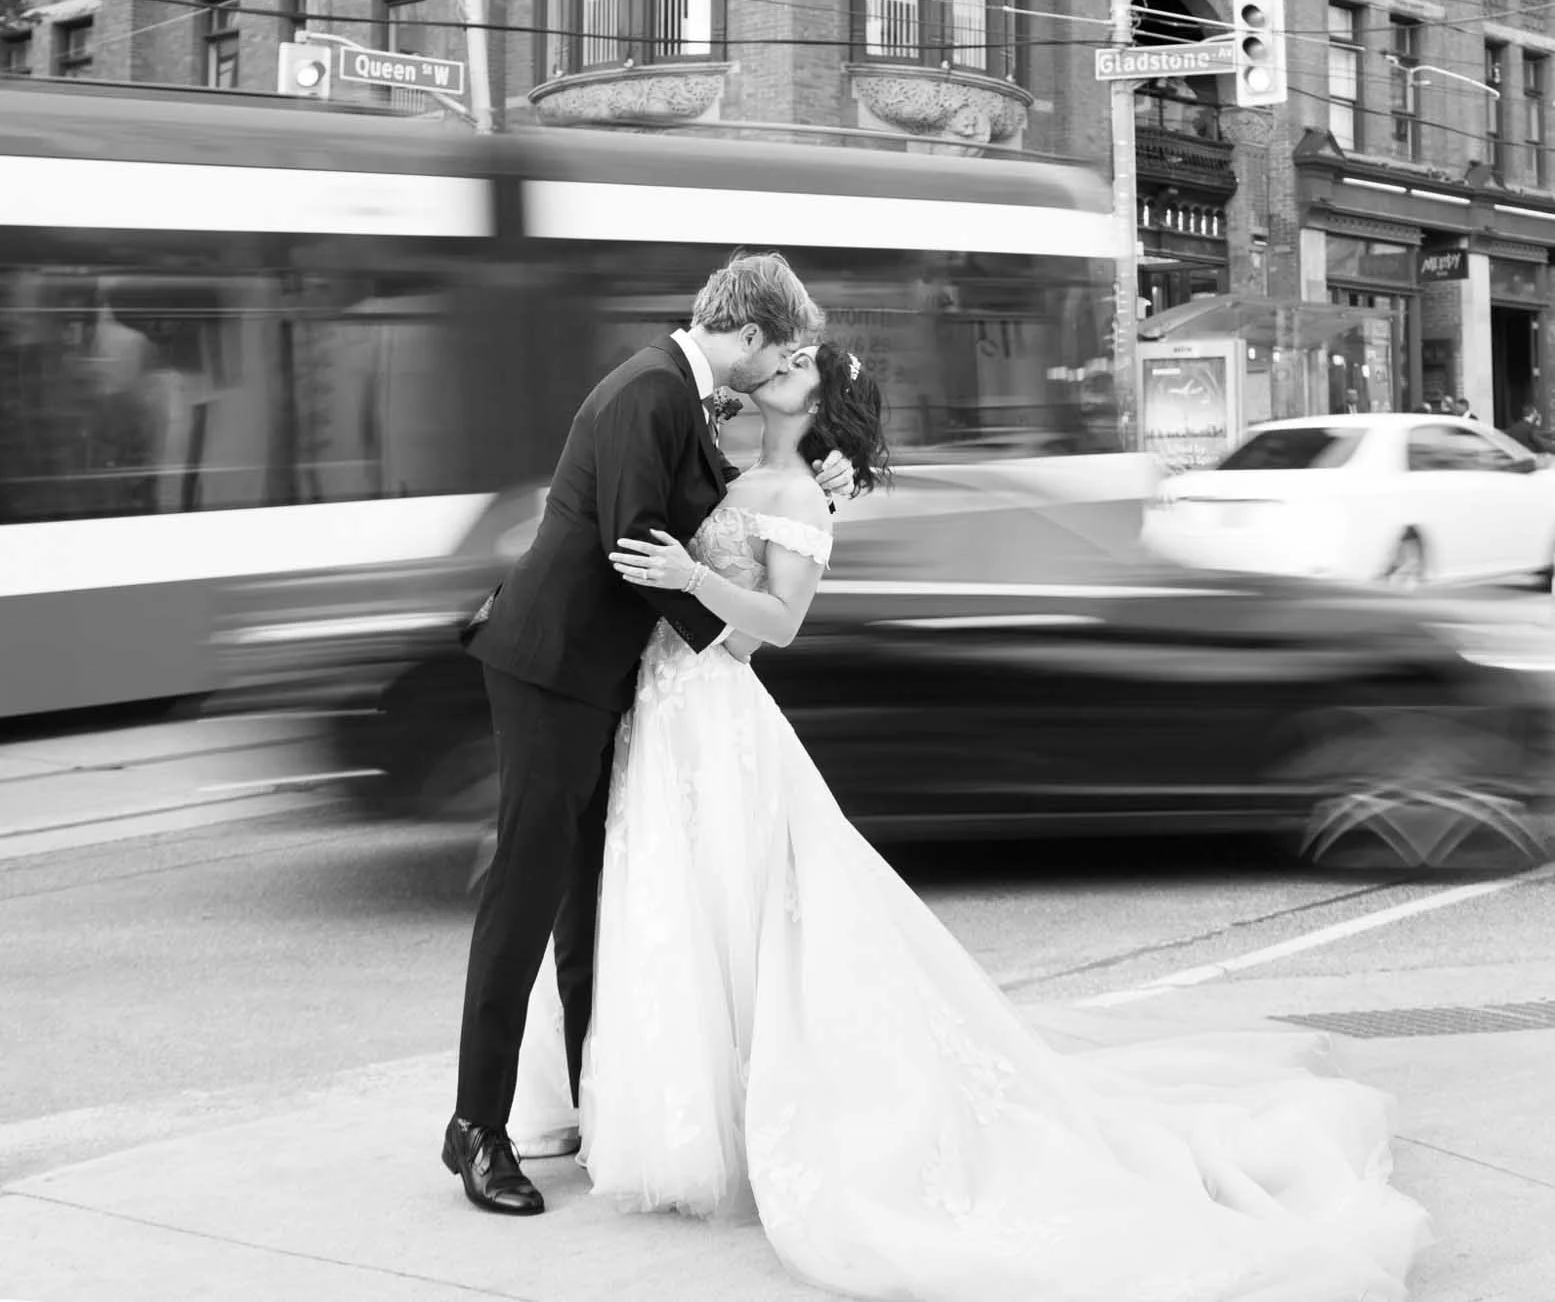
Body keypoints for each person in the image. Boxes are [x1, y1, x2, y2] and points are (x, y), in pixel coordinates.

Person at [511, 342, 1428, 1302]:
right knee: (670, 907)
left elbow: (778, 626)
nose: (774, 369)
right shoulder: (730, 452)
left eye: (794, 368)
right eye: (775, 359)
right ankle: (673, 1107)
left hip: (716, 712)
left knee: (740, 913)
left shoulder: (801, 495)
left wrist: (692, 579)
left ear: (816, 403)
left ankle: (732, 1121)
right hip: (659, 713)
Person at [444, 249, 842, 1218]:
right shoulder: (653, 390)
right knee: (526, 899)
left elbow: (688, 520)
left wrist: (800, 482)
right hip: (549, 670)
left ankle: (597, 1102)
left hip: (599, 677)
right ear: (745, 334)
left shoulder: (674, 392)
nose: (778, 367)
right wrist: (730, 641)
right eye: (780, 350)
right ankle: (475, 1130)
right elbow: (636, 544)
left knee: (585, 904)